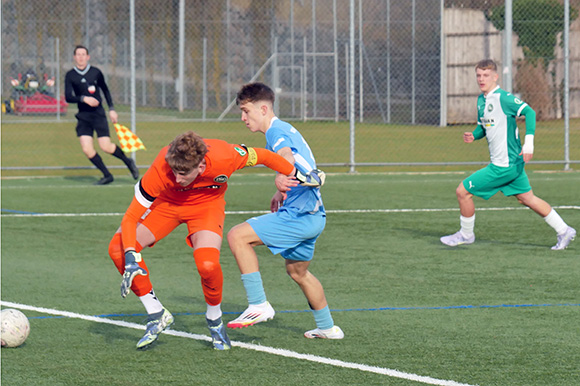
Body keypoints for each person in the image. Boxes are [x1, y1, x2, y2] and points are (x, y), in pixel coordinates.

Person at [109, 131, 307, 350]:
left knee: (207, 264)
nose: (177, 178)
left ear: (201, 167)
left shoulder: (226, 155)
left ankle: (214, 320)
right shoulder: (161, 166)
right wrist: (130, 254)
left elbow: (263, 156)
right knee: (117, 249)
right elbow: (130, 217)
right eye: (174, 171)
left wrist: (296, 173)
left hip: (206, 207)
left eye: (183, 173)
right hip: (167, 205)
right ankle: (156, 313)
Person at [226, 82, 344, 340]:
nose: (243, 118)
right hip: (314, 216)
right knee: (297, 272)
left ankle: (258, 305)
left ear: (264, 108)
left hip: (299, 217)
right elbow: (299, 164)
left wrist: (280, 177)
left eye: (246, 111)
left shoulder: (276, 132)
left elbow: (287, 157)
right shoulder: (286, 128)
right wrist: (281, 190)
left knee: (237, 236)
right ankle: (327, 328)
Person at [440, 59, 576, 250]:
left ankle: (466, 234)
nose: (481, 79)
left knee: (462, 192)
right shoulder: (481, 100)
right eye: (478, 75)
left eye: (486, 75)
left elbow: (530, 112)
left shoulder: (503, 98)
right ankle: (564, 230)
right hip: (513, 164)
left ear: (495, 77)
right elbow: (483, 126)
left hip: (504, 165)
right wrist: (474, 135)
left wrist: (529, 142)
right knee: (527, 198)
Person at [65, 45, 139, 185]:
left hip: (98, 115)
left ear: (88, 57)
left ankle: (128, 161)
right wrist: (83, 98)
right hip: (83, 116)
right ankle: (107, 175)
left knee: (105, 146)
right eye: (78, 54)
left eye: (83, 54)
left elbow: (105, 90)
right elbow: (68, 97)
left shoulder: (95, 72)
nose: (81, 57)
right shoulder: (71, 75)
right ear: (74, 57)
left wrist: (111, 109)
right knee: (87, 149)